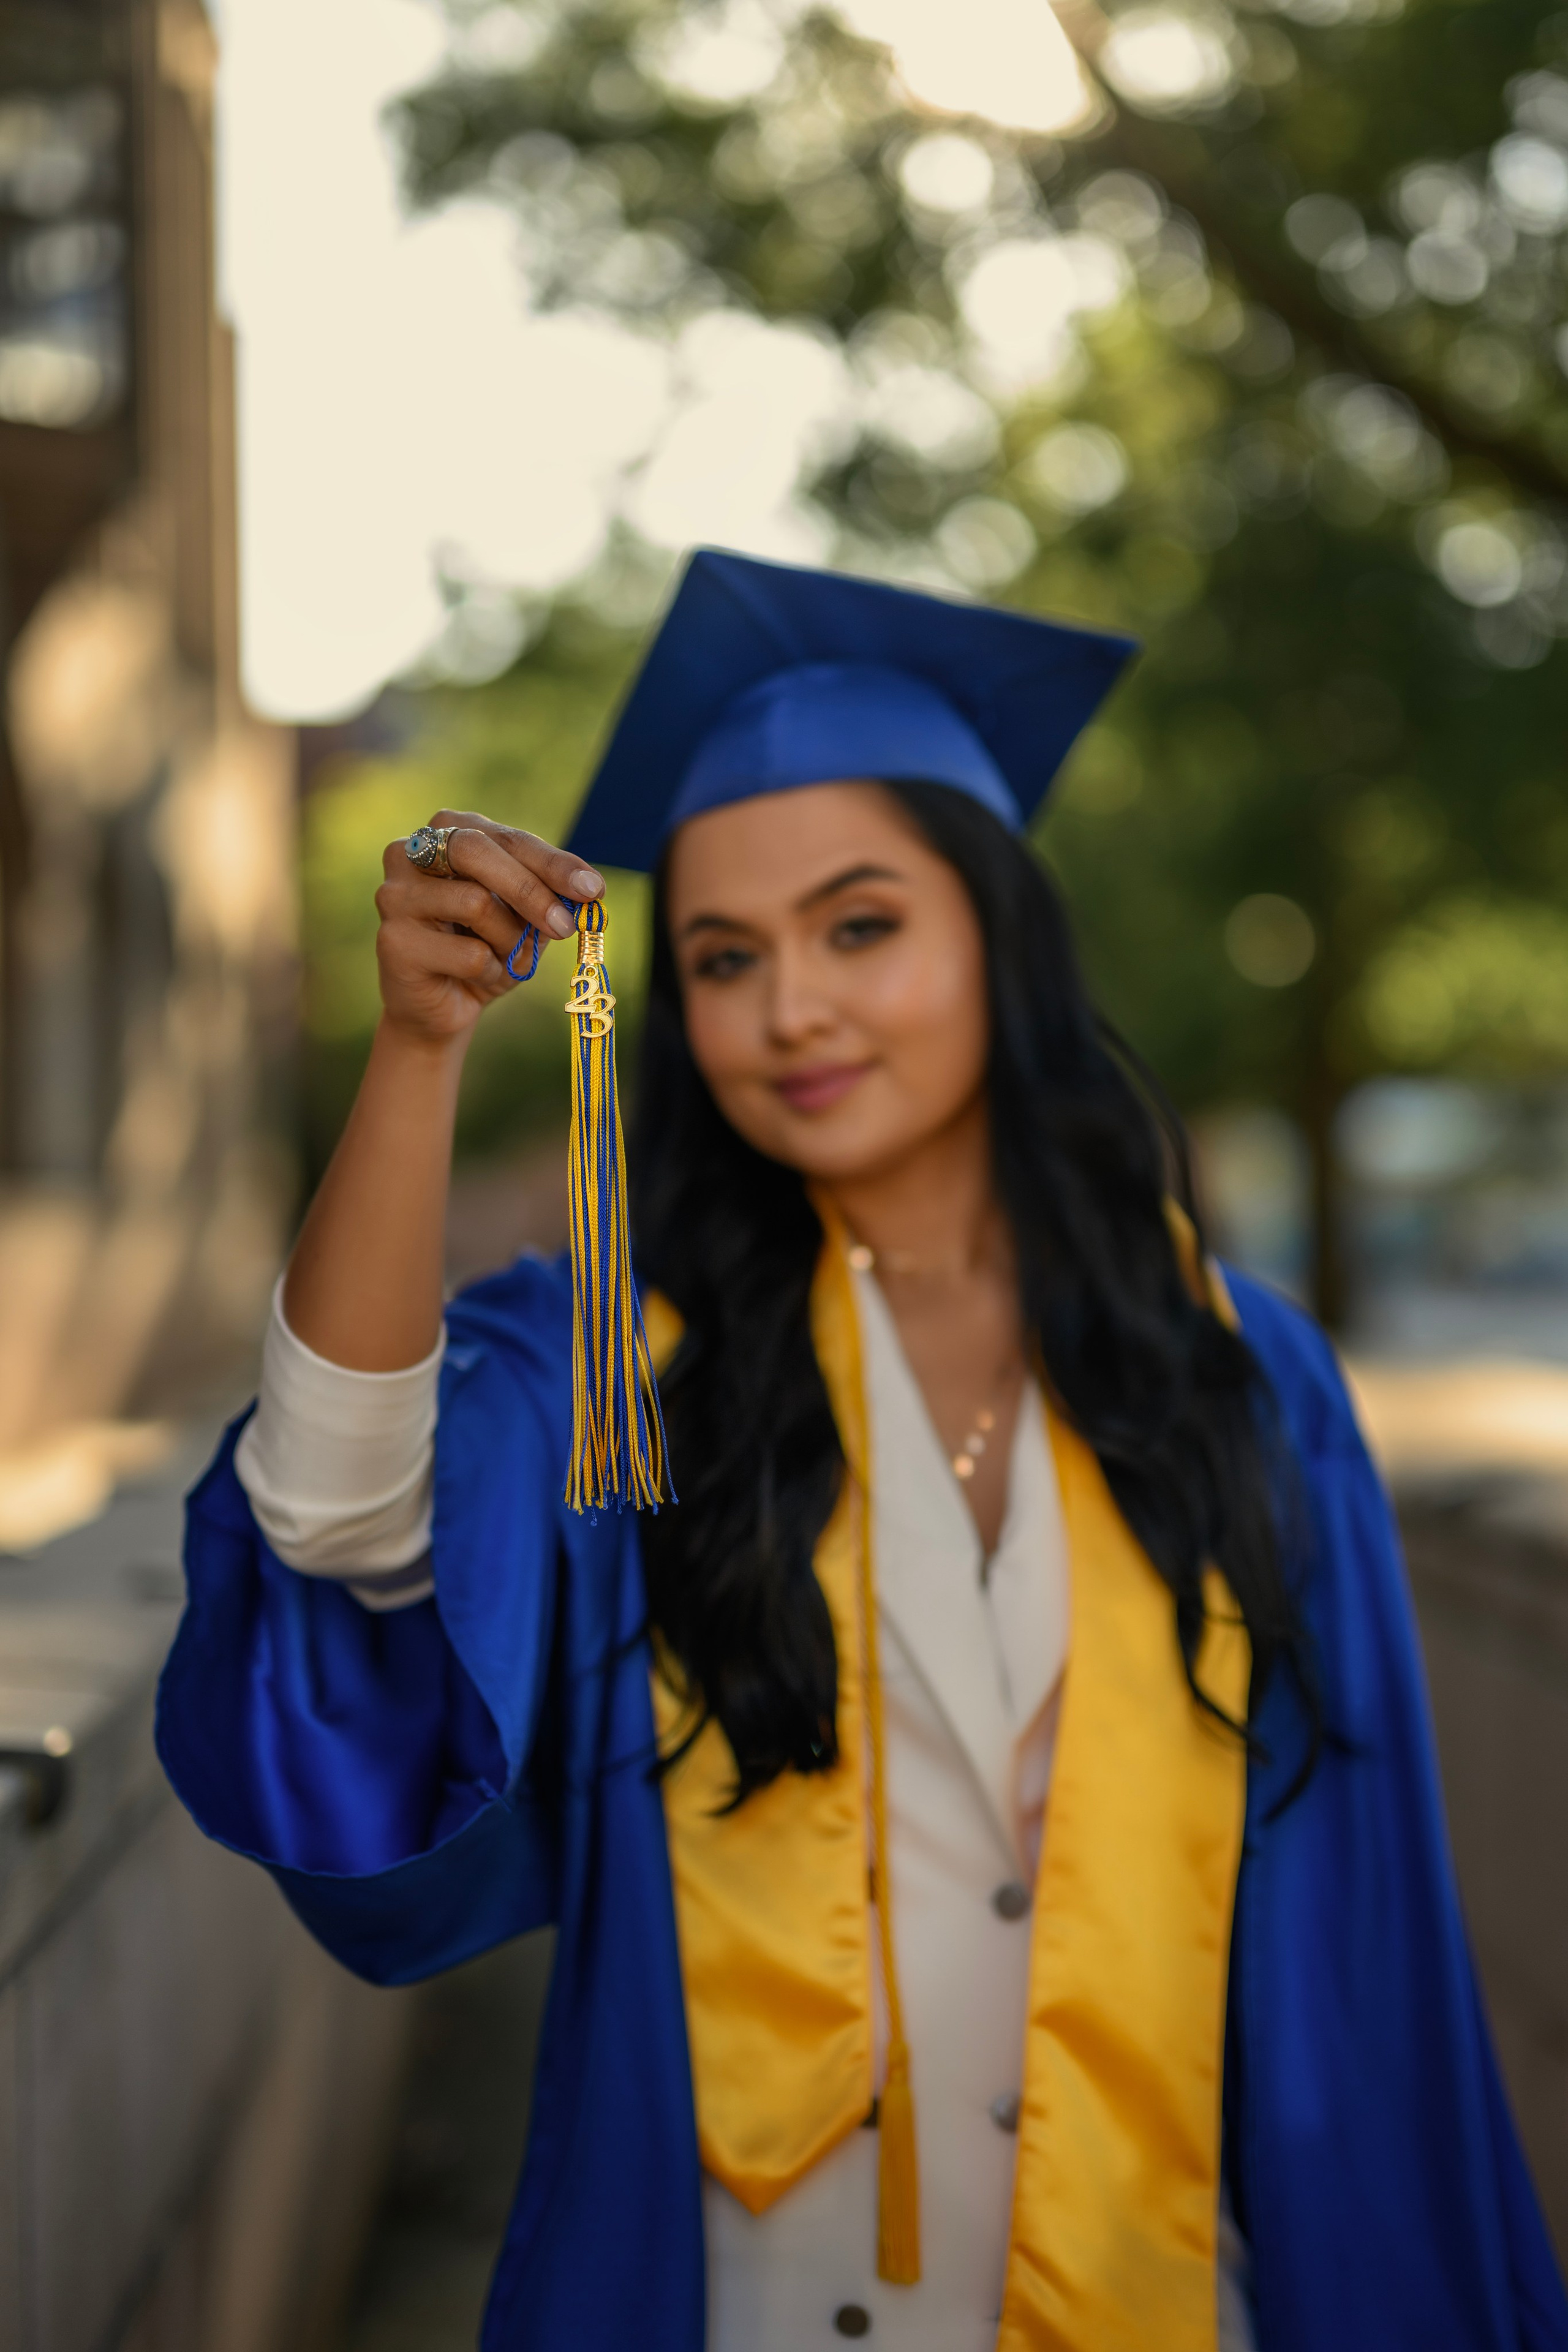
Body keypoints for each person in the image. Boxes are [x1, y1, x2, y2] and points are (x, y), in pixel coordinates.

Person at [158, 549, 1568, 2352]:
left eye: (862, 925)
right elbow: (333, 1517)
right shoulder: (619, 1365)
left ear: (1000, 930)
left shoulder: (1241, 1376)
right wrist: (421, 1054)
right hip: (743, 2304)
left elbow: (1372, 1959)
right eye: (724, 959)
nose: (792, 1010)